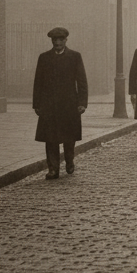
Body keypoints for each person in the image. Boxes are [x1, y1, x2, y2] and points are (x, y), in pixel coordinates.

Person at [33, 27, 88, 180]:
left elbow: (82, 81)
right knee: (51, 138)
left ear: (66, 40)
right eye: (55, 40)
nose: (57, 43)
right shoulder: (44, 58)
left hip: (69, 104)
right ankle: (53, 169)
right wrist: (36, 103)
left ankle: (69, 160)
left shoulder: (75, 57)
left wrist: (82, 102)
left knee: (69, 137)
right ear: (51, 41)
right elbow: (38, 82)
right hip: (49, 105)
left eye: (60, 40)